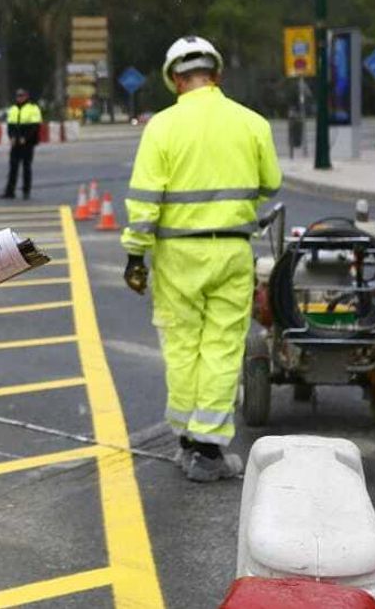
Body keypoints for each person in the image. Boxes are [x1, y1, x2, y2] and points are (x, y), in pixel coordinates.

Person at [120, 36, 281, 482]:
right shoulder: (251, 123)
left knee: (182, 344)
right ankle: (208, 446)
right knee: (223, 345)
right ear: (218, 74)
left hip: (178, 254)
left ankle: (188, 441)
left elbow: (146, 199)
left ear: (174, 79)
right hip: (231, 250)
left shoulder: (162, 127)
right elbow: (270, 183)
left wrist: (136, 254)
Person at [0, 88, 43, 200]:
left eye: (22, 96)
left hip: (28, 142)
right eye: (18, 96)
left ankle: (26, 191)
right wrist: (11, 137)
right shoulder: (13, 109)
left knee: (26, 167)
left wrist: (26, 138)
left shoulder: (33, 108)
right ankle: (10, 191)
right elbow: (10, 125)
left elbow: (35, 127)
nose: (20, 98)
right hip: (16, 141)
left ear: (26, 96)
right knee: (13, 167)